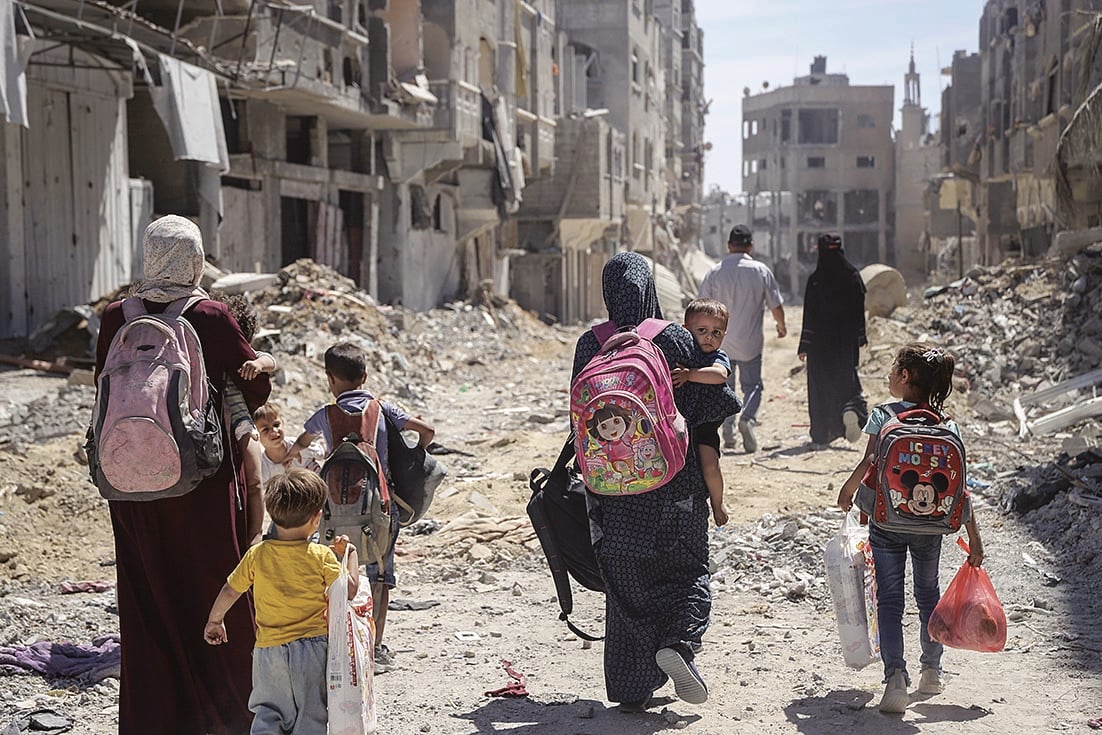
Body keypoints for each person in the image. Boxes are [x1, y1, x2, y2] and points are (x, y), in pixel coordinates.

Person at [94, 215, 271, 735]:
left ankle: (154, 721)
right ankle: (225, 719)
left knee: (147, 600)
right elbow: (252, 390)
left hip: (129, 480)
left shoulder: (114, 317)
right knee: (215, 594)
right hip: (203, 485)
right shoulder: (209, 314)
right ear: (195, 258)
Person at [572, 252, 740, 711]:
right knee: (686, 571)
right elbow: (711, 405)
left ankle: (630, 688)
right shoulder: (674, 339)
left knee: (627, 583)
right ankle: (678, 645)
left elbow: (579, 423)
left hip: (614, 490)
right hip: (676, 483)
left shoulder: (590, 344)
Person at [836, 343, 985, 714]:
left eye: (892, 370)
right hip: (931, 527)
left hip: (888, 521)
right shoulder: (947, 425)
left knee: (889, 599)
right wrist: (974, 536)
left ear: (904, 377)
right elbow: (958, 484)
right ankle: (931, 671)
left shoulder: (884, 415)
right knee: (927, 594)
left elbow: (872, 462)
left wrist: (850, 490)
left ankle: (895, 678)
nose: (889, 376)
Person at [284, 341, 435, 674]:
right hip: (379, 508)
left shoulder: (324, 415)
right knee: (380, 576)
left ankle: (336, 639)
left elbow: (298, 449)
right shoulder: (383, 410)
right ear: (365, 376)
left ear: (329, 379)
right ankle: (376, 647)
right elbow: (427, 431)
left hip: (333, 512)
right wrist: (413, 456)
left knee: (333, 573)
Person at [204, 469, 358, 734]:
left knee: (268, 712)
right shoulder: (321, 556)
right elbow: (350, 590)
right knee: (311, 715)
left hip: (268, 651)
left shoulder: (257, 554)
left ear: (273, 516)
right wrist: (350, 554)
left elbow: (231, 590)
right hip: (312, 650)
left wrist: (215, 620)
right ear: (316, 518)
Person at [698, 224, 786, 453]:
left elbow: (699, 307)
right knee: (753, 385)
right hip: (750, 342)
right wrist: (781, 325)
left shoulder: (714, 272)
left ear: (729, 246)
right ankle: (746, 418)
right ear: (750, 246)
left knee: (725, 387)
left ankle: (728, 434)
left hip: (720, 344)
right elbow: (775, 304)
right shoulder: (760, 271)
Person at [212, 291, 279, 545]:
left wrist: (259, 364)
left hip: (240, 420)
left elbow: (270, 359)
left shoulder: (243, 355)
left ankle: (255, 535)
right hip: (224, 420)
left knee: (254, 480)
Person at [797, 233, 869, 448]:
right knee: (847, 382)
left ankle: (821, 433)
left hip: (819, 345)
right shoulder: (853, 276)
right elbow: (859, 311)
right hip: (845, 343)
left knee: (820, 388)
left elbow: (809, 314)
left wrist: (804, 343)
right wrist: (860, 336)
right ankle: (851, 410)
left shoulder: (816, 280)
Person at [671, 298, 732, 527]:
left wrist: (690, 375)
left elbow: (719, 375)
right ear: (686, 330)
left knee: (709, 463)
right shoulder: (681, 352)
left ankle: (717, 503)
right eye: (702, 330)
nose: (709, 337)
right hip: (680, 422)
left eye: (717, 332)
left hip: (705, 424)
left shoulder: (716, 357)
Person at [253, 403, 322, 485]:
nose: (274, 431)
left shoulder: (300, 446)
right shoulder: (263, 467)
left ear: (283, 423)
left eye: (276, 425)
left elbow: (323, 451)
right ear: (256, 436)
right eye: (265, 430)